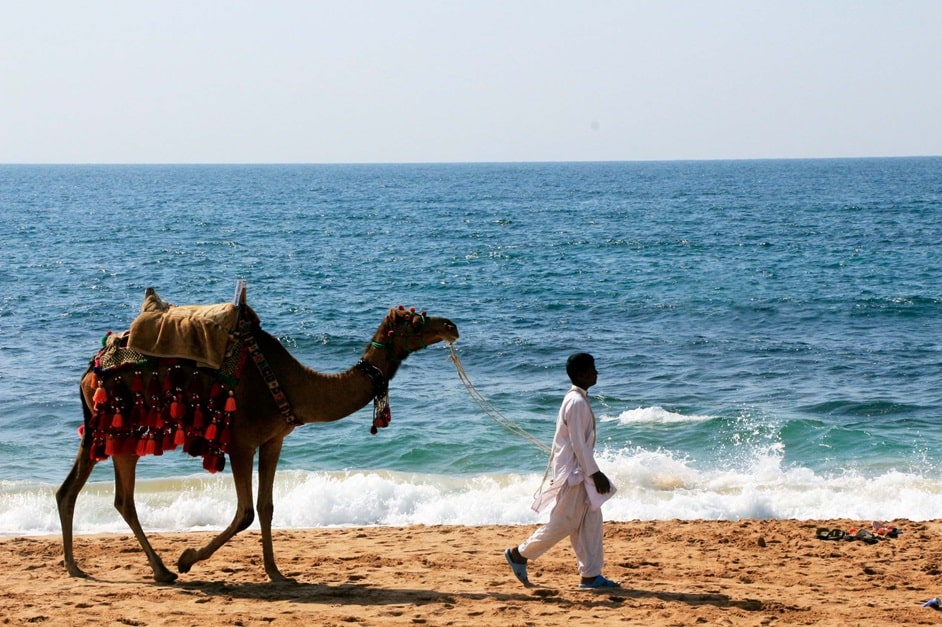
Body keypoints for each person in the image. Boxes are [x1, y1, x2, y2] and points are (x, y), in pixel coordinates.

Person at [504, 352, 620, 589]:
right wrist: (595, 473)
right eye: (591, 369)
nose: (596, 373)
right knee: (564, 523)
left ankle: (590, 575)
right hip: (574, 475)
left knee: (590, 521)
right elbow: (578, 443)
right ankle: (519, 554)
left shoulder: (579, 399)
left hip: (580, 473)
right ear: (579, 374)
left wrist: (593, 472)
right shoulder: (576, 402)